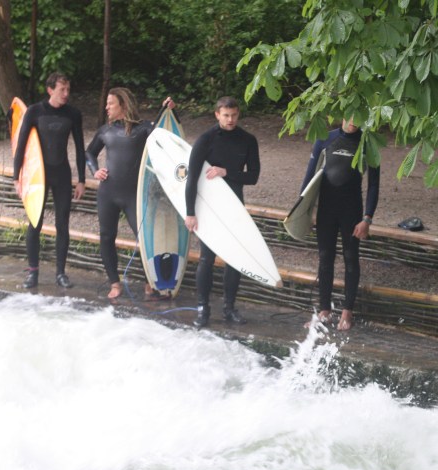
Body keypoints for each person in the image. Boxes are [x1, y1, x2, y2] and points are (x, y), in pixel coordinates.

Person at [185, 96, 260, 328]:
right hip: (209, 207)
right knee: (206, 259)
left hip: (234, 206)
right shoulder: (206, 140)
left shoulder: (248, 140)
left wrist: (226, 172)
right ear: (217, 114)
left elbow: (253, 177)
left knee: (234, 259)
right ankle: (202, 308)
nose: (230, 120)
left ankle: (229, 308)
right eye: (226, 115)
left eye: (234, 115)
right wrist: (190, 212)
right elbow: (192, 178)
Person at [85, 88, 166, 300]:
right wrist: (95, 170)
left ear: (123, 105)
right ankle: (114, 283)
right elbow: (89, 152)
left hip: (134, 194)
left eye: (110, 103)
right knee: (106, 236)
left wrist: (169, 111)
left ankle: (151, 281)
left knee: (145, 238)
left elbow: (165, 133)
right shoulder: (105, 131)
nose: (106, 107)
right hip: (108, 193)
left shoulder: (144, 129)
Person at [300, 118, 380, 331]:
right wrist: (303, 213)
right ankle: (324, 310)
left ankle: (347, 312)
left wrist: (367, 218)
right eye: (350, 116)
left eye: (358, 117)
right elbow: (309, 177)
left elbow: (373, 185)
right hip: (326, 210)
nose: (354, 122)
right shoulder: (325, 139)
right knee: (325, 258)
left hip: (351, 211)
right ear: (343, 115)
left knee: (350, 257)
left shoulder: (368, 144)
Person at [13, 72, 86, 289]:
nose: (66, 94)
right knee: (35, 222)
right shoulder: (35, 111)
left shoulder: (73, 114)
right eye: (62, 89)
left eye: (68, 90)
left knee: (62, 224)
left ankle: (61, 273)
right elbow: (21, 145)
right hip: (38, 176)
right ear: (50, 90)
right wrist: (17, 177)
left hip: (61, 174)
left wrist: (81, 179)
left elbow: (80, 149)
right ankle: (33, 273)